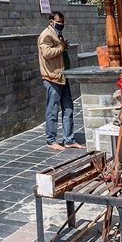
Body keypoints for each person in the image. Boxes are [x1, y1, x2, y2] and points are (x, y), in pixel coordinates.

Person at [38, 11, 83, 150]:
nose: (61, 25)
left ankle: (69, 139)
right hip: (52, 78)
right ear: (51, 22)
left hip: (62, 76)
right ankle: (51, 140)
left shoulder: (57, 34)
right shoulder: (46, 35)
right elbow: (46, 53)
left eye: (63, 23)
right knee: (52, 110)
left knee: (68, 108)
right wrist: (61, 47)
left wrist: (62, 47)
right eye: (59, 23)